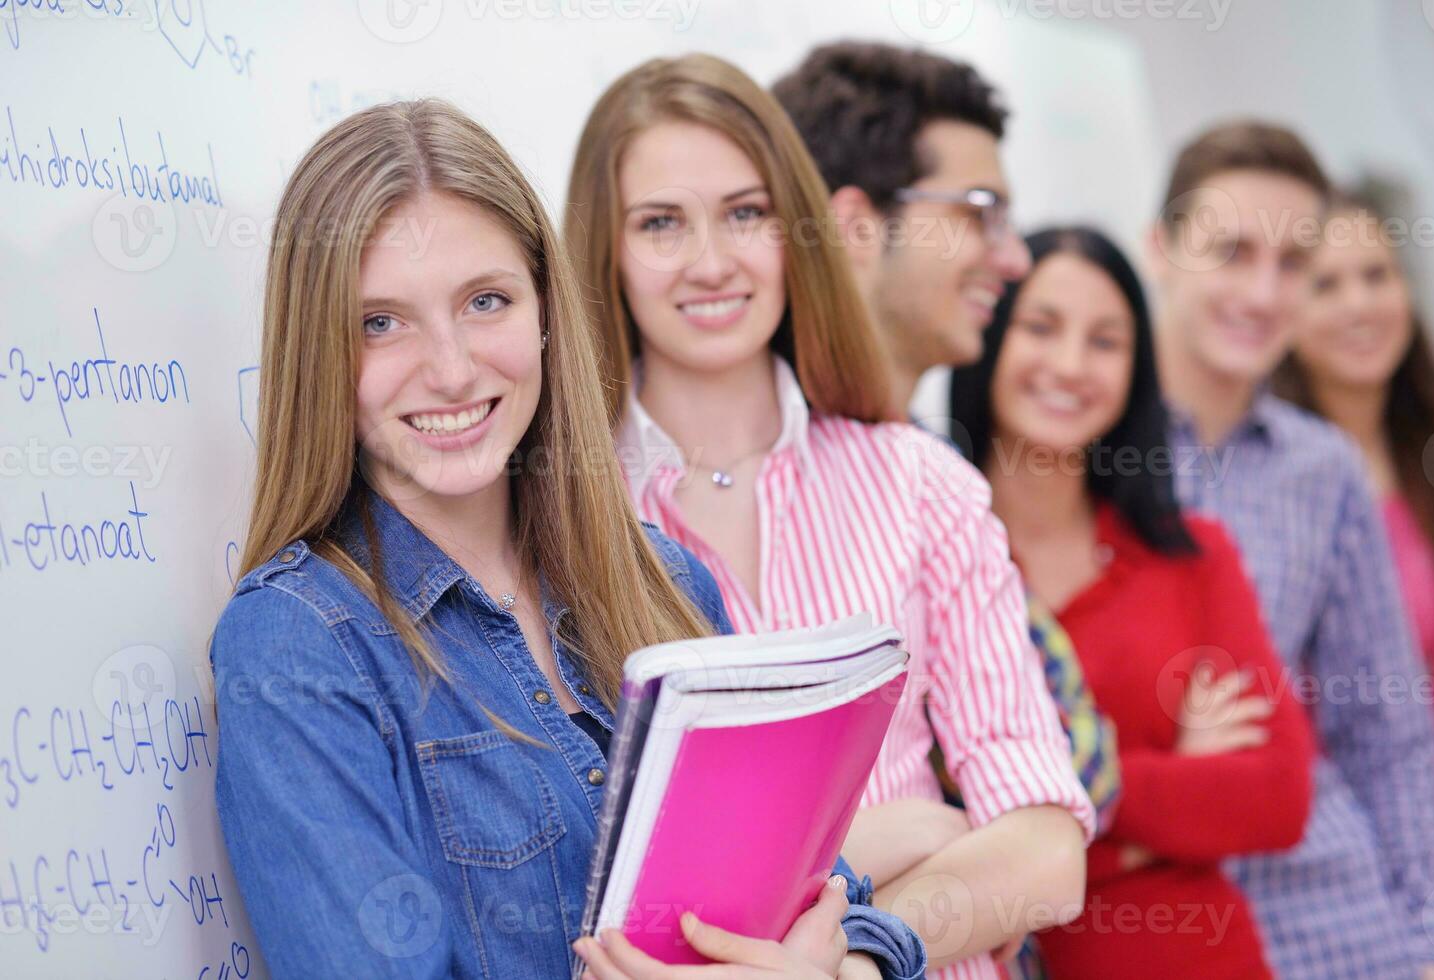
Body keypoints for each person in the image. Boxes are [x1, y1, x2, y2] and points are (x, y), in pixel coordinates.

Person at [208, 97, 925, 980]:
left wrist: (838, 972)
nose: (453, 368)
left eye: (485, 301)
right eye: (379, 322)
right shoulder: (296, 645)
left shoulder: (662, 579)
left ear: (546, 313)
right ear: (318, 351)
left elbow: (836, 902)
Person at [563, 52, 1095, 980]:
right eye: (660, 223)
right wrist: (899, 832)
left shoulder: (921, 485)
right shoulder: (558, 516)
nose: (712, 261)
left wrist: (853, 956)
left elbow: (1046, 850)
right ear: (604, 248)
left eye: (745, 213)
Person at [771, 44, 1122, 978]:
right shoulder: (715, 489)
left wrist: (957, 847)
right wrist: (944, 847)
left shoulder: (935, 483)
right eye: (978, 214)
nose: (1012, 256)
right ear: (852, 224)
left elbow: (1069, 805)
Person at [950, 226, 1313, 978]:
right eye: (1040, 327)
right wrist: (1170, 798)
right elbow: (945, 826)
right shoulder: (935, 557)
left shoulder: (1194, 556)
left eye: (1106, 341)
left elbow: (1276, 797)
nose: (1070, 365)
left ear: (1135, 369)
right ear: (986, 337)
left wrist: (1058, 807)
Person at [1147, 120, 1434, 978]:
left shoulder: (1319, 469)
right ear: (1159, 251)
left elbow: (1389, 735)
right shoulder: (1077, 452)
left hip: (1341, 922)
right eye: (1231, 251)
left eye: (1290, 261)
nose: (1261, 290)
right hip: (1154, 918)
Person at [1275, 190, 1434, 848]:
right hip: (1388, 843)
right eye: (1324, 284)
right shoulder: (1282, 496)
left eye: (1375, 275)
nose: (1359, 304)